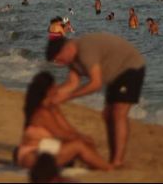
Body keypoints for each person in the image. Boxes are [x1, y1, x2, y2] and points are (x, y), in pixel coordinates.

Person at [46, 33, 146, 168]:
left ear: (65, 49)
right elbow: (72, 83)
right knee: (107, 115)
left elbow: (96, 84)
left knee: (118, 113)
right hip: (114, 75)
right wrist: (51, 95)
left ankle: (117, 161)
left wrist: (68, 97)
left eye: (59, 59)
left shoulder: (85, 51)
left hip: (130, 66)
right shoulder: (72, 60)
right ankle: (113, 158)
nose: (60, 63)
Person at [15, 71, 111, 171]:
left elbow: (69, 130)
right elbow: (61, 134)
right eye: (54, 86)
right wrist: (81, 138)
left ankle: (99, 166)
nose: (57, 87)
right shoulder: (41, 112)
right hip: (30, 155)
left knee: (82, 142)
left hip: (46, 151)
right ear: (48, 90)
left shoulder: (52, 109)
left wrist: (82, 137)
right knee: (79, 145)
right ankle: (108, 168)